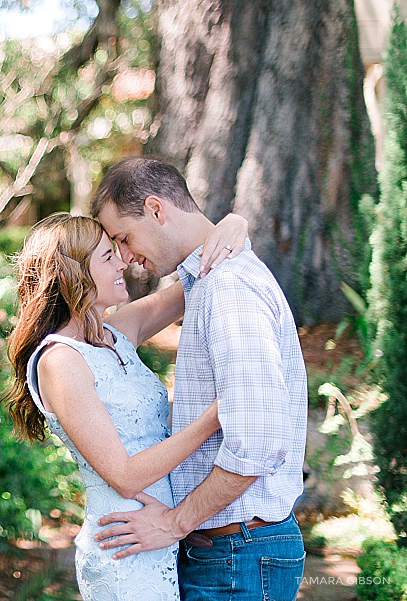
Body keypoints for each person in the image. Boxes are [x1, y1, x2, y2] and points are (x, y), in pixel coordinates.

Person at [90, 157, 307, 601]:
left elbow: (258, 440)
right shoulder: (208, 281)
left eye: (123, 239)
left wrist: (173, 523)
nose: (127, 259)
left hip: (240, 556)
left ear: (156, 209)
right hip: (228, 554)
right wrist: (232, 225)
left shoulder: (229, 290)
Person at [5, 210, 248, 601]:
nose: (123, 261)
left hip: (163, 535)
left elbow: (200, 277)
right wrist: (217, 415)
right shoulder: (59, 361)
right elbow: (125, 476)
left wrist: (234, 225)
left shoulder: (116, 334)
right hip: (123, 547)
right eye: (106, 256)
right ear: (70, 276)